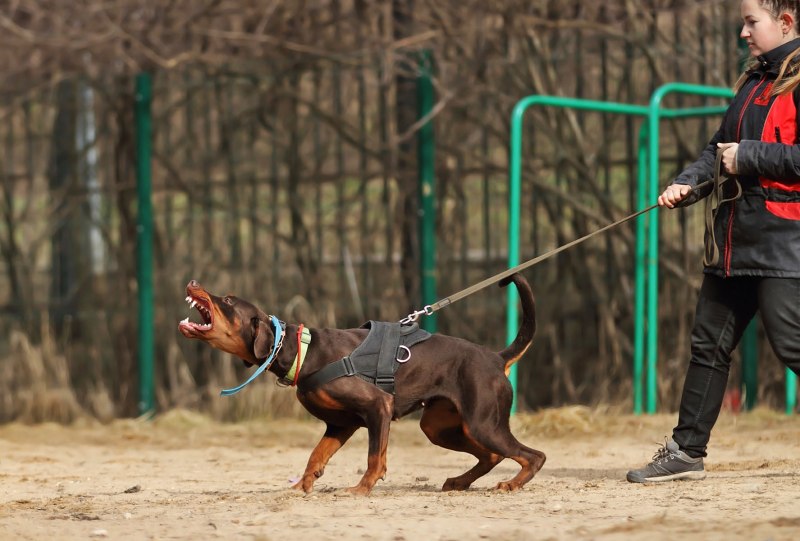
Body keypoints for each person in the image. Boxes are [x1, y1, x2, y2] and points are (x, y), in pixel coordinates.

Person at [627, 0, 800, 483]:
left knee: (792, 344)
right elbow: (717, 151)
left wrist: (749, 156)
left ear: (785, 23)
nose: (743, 32)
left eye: (752, 22)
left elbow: (748, 155)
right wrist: (688, 183)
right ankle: (686, 452)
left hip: (786, 240)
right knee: (708, 344)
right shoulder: (753, 81)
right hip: (732, 241)